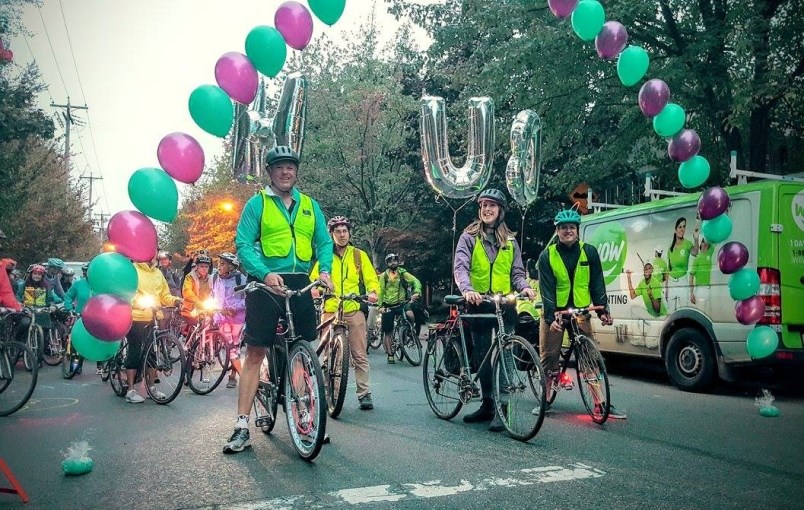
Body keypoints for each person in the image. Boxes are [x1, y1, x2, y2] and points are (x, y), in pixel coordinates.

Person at [224, 145, 333, 454]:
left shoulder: (310, 205)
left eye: (291, 167)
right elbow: (243, 244)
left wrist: (324, 270)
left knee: (304, 346)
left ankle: (307, 416)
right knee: (256, 351)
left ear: (296, 172)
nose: (286, 172)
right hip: (265, 283)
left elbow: (323, 242)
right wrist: (262, 273)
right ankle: (242, 425)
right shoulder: (256, 204)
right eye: (280, 167)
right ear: (269, 172)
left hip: (300, 282)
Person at [454, 188, 536, 432]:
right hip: (479, 303)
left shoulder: (510, 241)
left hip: (505, 304)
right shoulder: (468, 237)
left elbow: (517, 272)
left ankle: (504, 406)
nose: (487, 209)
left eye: (492, 205)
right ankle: (488, 404)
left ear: (500, 211)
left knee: (505, 353)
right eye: (483, 206)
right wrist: (467, 289)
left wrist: (524, 287)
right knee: (482, 356)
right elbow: (460, 267)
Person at [537, 208, 626, 419]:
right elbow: (546, 290)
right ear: (557, 231)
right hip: (556, 312)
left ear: (577, 230)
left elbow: (597, 283)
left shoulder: (590, 251)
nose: (568, 231)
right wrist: (551, 318)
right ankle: (545, 400)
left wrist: (603, 310)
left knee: (590, 358)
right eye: (563, 228)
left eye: (571, 228)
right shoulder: (546, 255)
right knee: (549, 357)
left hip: (581, 311)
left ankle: (600, 403)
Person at [310, 216, 380, 410]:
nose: (342, 235)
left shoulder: (359, 255)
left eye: (345, 231)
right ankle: (325, 391)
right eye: (337, 232)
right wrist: (315, 289)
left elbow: (371, 278)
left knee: (359, 354)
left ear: (349, 233)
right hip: (331, 308)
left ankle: (364, 393)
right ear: (332, 235)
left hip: (352, 307)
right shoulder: (325, 256)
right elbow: (314, 278)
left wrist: (373, 292)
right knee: (326, 354)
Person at [127, 255, 182, 403]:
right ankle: (130, 390)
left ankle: (152, 388)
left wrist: (175, 301)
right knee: (134, 351)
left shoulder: (158, 273)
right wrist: (139, 303)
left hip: (154, 317)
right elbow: (127, 292)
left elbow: (164, 295)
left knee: (152, 353)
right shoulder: (133, 270)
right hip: (137, 316)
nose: (153, 257)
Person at [378, 253, 421, 364]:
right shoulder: (384, 276)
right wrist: (380, 306)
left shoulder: (402, 273)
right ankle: (390, 354)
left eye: (395, 261)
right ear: (387, 263)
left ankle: (410, 332)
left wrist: (417, 292)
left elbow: (415, 281)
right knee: (388, 330)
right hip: (388, 305)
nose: (393, 263)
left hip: (402, 303)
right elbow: (380, 291)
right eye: (390, 261)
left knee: (410, 315)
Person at [212, 252, 246, 389]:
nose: (219, 266)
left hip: (238, 319)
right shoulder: (215, 278)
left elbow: (248, 299)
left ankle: (233, 376)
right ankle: (245, 379)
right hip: (222, 318)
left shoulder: (241, 279)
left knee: (235, 347)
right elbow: (215, 296)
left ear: (231, 267)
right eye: (219, 263)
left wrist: (235, 308)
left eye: (223, 264)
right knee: (231, 347)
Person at [63, 262, 94, 374]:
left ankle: (101, 365)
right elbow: (68, 296)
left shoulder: (100, 284)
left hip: (95, 318)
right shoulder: (78, 284)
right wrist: (69, 308)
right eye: (85, 271)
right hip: (79, 316)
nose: (86, 273)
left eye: (89, 271)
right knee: (77, 342)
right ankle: (75, 364)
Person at [664, 217, 699, 311]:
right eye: (680, 227)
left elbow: (695, 252)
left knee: (684, 312)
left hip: (682, 282)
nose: (682, 229)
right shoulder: (670, 248)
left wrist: (696, 239)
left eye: (684, 226)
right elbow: (668, 269)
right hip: (671, 283)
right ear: (675, 230)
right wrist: (666, 288)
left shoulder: (687, 244)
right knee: (671, 315)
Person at [181, 252, 213, 327]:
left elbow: (215, 291)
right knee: (192, 328)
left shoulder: (211, 278)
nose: (204, 269)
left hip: (206, 308)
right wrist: (197, 301)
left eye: (206, 266)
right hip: (191, 309)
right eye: (202, 266)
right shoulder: (190, 277)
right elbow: (187, 291)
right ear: (197, 267)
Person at [689, 238, 714, 307]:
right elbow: (691, 276)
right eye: (703, 241)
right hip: (700, 289)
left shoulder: (709, 253)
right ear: (700, 244)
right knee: (701, 312)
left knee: (709, 313)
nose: (705, 243)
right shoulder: (697, 259)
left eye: (706, 241)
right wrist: (691, 293)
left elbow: (714, 240)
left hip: (709, 288)